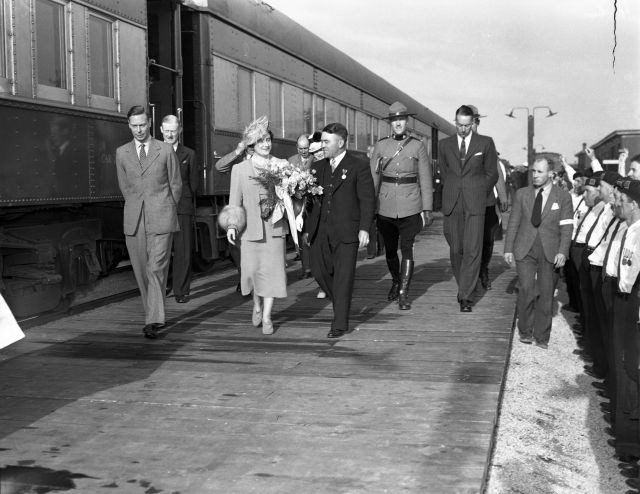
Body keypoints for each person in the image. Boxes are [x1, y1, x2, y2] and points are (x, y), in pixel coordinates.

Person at [115, 105, 182, 339]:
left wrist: (168, 209)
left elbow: (176, 185)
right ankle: (152, 312)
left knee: (155, 268)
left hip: (162, 217)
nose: (139, 129)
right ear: (129, 126)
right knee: (142, 270)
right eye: (134, 126)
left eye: (143, 124)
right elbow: (125, 187)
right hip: (135, 219)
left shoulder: (164, 150)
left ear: (150, 123)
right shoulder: (121, 153)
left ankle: (153, 319)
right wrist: (136, 206)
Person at [303, 122, 375, 338]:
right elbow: (312, 203)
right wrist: (307, 228)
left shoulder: (359, 165)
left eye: (326, 142)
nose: (321, 146)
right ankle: (341, 303)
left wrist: (365, 228)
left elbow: (367, 199)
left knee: (343, 277)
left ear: (341, 143)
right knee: (317, 269)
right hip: (320, 229)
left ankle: (340, 323)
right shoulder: (318, 167)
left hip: (347, 231)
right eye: (321, 141)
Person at [226, 117, 287, 335]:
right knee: (252, 273)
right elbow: (234, 201)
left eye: (268, 140)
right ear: (252, 145)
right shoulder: (240, 170)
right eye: (261, 141)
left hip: (274, 228)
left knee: (271, 273)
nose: (266, 144)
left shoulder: (281, 166)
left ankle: (268, 315)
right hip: (250, 230)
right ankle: (257, 305)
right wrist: (232, 225)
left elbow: (290, 198)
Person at [369, 101, 433, 310]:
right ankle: (396, 280)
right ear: (390, 122)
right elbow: (374, 178)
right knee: (389, 250)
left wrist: (427, 209)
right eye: (394, 120)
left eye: (401, 119)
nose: (398, 123)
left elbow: (425, 179)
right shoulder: (381, 145)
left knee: (407, 248)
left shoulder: (417, 145)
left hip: (410, 204)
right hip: (385, 205)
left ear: (407, 121)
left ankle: (404, 293)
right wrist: (370, 206)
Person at [504, 158, 573, 348]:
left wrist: (562, 251)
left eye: (540, 172)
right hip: (525, 248)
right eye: (533, 171)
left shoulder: (563, 197)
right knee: (526, 289)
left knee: (546, 293)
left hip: (550, 250)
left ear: (550, 174)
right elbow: (514, 222)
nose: (535, 175)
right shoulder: (522, 194)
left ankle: (542, 336)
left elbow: (567, 228)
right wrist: (508, 248)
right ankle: (525, 331)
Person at [438, 105, 498, 312]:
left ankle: (465, 296)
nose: (462, 129)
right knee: (456, 249)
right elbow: (444, 171)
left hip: (475, 202)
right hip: (453, 201)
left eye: (466, 125)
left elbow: (492, 173)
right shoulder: (444, 144)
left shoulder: (486, 143)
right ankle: (463, 284)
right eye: (459, 125)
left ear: (472, 123)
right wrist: (455, 187)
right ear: (455, 122)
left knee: (473, 249)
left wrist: (478, 190)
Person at [467, 104, 509, 290]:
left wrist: (503, 197)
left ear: (477, 123)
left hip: (487, 203)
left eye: (474, 122)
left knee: (486, 240)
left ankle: (483, 269)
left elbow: (497, 173)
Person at [160, 115, 199, 303]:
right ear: (161, 130)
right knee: (160, 251)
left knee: (183, 250)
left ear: (179, 131)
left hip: (182, 207)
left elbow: (194, 184)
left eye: (173, 131)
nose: (170, 134)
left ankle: (181, 291)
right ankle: (160, 287)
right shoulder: (153, 151)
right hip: (159, 208)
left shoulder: (189, 154)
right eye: (166, 131)